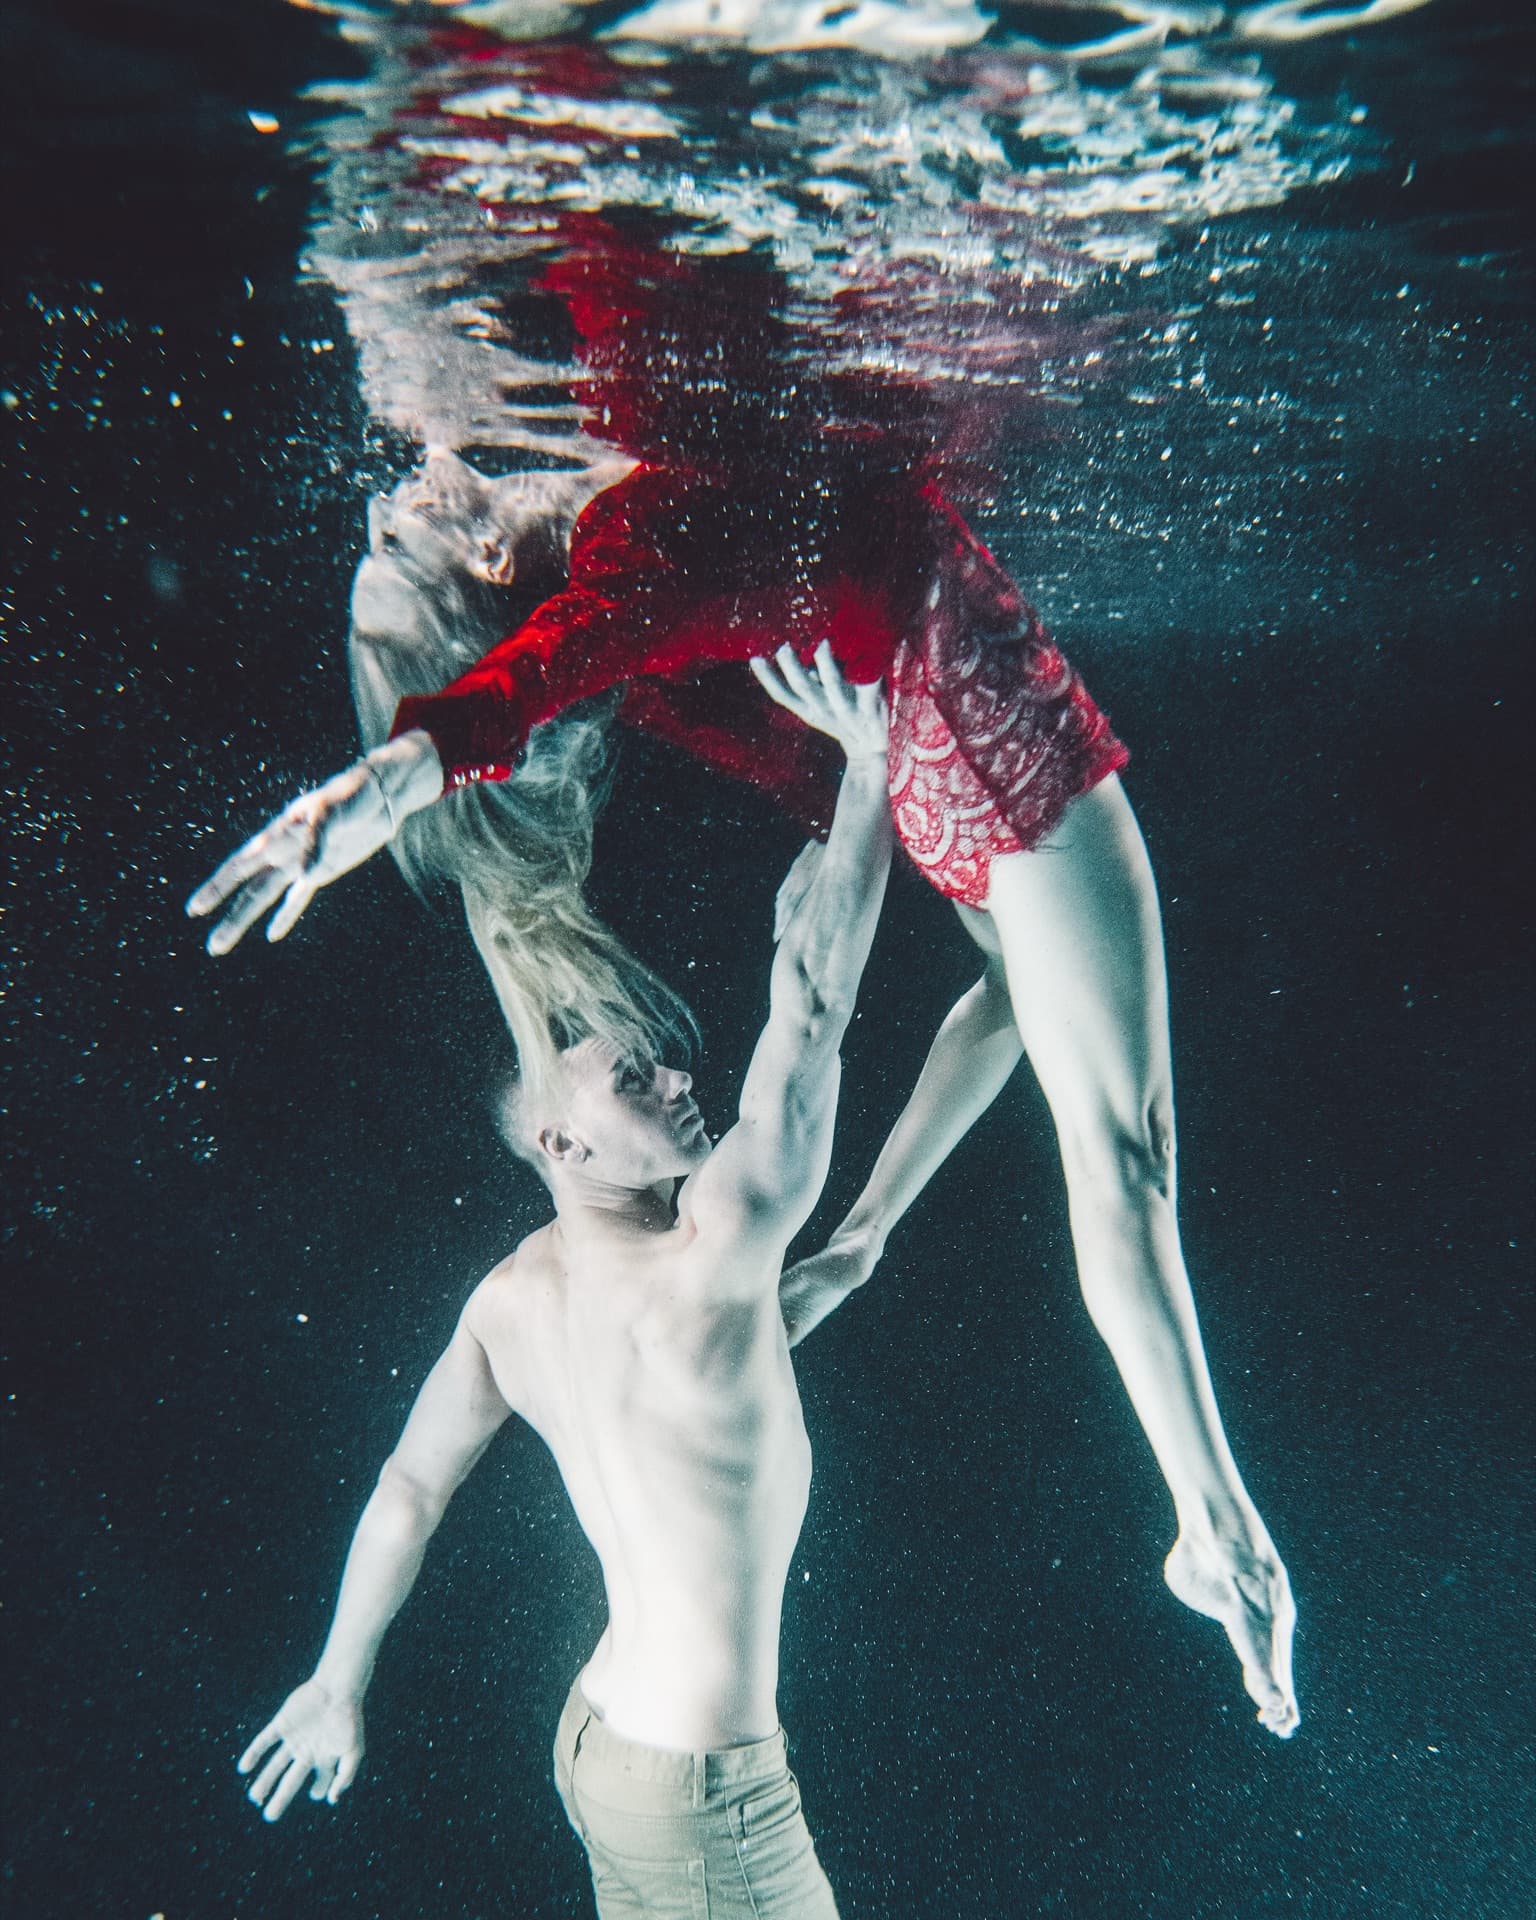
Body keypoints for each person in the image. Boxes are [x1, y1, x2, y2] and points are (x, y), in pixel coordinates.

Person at [193, 230, 1298, 1738]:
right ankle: (1212, 1519)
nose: (455, 475)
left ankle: (1192, 1507)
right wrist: (396, 775)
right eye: (458, 505)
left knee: (1068, 1083)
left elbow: (598, 691)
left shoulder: (649, 583)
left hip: (956, 794)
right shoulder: (637, 552)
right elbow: (552, 676)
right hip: (994, 773)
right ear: (507, 556)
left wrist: (402, 776)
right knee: (1119, 1152)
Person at [236, 650, 891, 1920]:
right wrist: (869, 768)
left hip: (602, 1748)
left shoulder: (510, 1300)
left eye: (656, 1063)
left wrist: (339, 1679)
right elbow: (810, 1015)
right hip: (709, 1796)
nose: (679, 1078)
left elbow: (410, 1486)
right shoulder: (716, 1255)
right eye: (633, 1080)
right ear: (563, 1147)